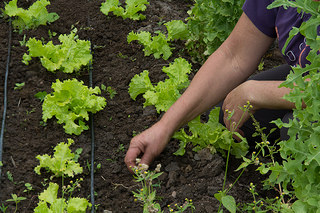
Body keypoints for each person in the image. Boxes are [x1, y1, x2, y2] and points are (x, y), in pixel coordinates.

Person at [125, 0, 320, 170]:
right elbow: (233, 56)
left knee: (299, 134)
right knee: (232, 114)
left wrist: (257, 92)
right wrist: (164, 127)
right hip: (310, 79)